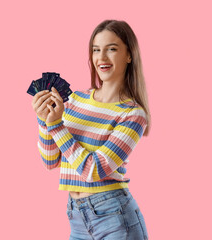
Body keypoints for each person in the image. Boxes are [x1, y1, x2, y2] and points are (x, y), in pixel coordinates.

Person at [31, 19, 151, 240]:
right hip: (76, 218)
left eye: (111, 49)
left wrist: (56, 126)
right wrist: (44, 120)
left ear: (128, 55)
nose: (101, 58)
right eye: (96, 50)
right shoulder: (76, 100)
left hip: (115, 218)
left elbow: (92, 171)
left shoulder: (132, 115)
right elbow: (50, 161)